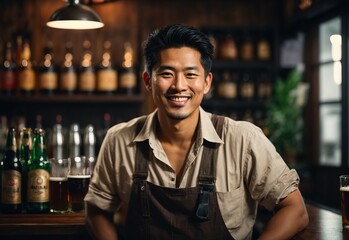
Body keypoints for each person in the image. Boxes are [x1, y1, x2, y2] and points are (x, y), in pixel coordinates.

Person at [85, 24, 309, 240]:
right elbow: (96, 209)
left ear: (207, 83)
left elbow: (295, 210)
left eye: (190, 75)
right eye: (167, 74)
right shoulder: (118, 140)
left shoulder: (243, 140)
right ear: (148, 81)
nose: (179, 86)